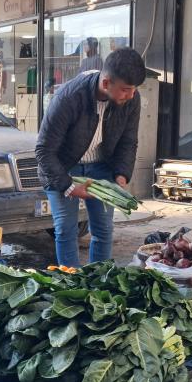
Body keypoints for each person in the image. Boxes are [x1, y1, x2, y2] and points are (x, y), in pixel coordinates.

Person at [35, 47, 146, 267]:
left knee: (103, 229)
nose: (131, 95)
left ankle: (99, 282)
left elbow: (128, 141)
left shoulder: (132, 99)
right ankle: (72, 285)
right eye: (125, 90)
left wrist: (122, 175)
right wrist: (68, 186)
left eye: (133, 90)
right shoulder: (68, 98)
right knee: (66, 230)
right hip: (63, 167)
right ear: (106, 84)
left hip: (101, 166)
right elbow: (44, 151)